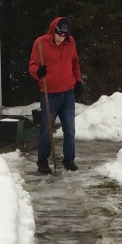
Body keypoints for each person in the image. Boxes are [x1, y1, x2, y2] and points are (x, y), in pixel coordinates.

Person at [28, 16, 83, 174]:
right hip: (49, 94)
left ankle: (69, 160)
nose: (60, 39)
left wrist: (78, 81)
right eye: (58, 35)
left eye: (63, 36)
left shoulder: (70, 42)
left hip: (67, 94)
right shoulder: (40, 43)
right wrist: (38, 72)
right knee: (47, 130)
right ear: (53, 31)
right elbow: (32, 65)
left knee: (70, 129)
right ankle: (42, 161)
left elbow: (75, 62)